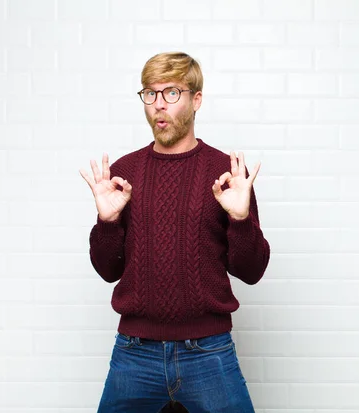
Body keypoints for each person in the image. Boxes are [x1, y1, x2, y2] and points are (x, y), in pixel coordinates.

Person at [79, 52, 270, 413]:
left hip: (209, 351)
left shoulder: (227, 173)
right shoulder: (123, 171)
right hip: (135, 352)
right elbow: (108, 271)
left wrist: (241, 219)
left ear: (196, 99)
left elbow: (252, 271)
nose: (158, 105)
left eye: (171, 93)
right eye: (150, 94)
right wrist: (106, 223)